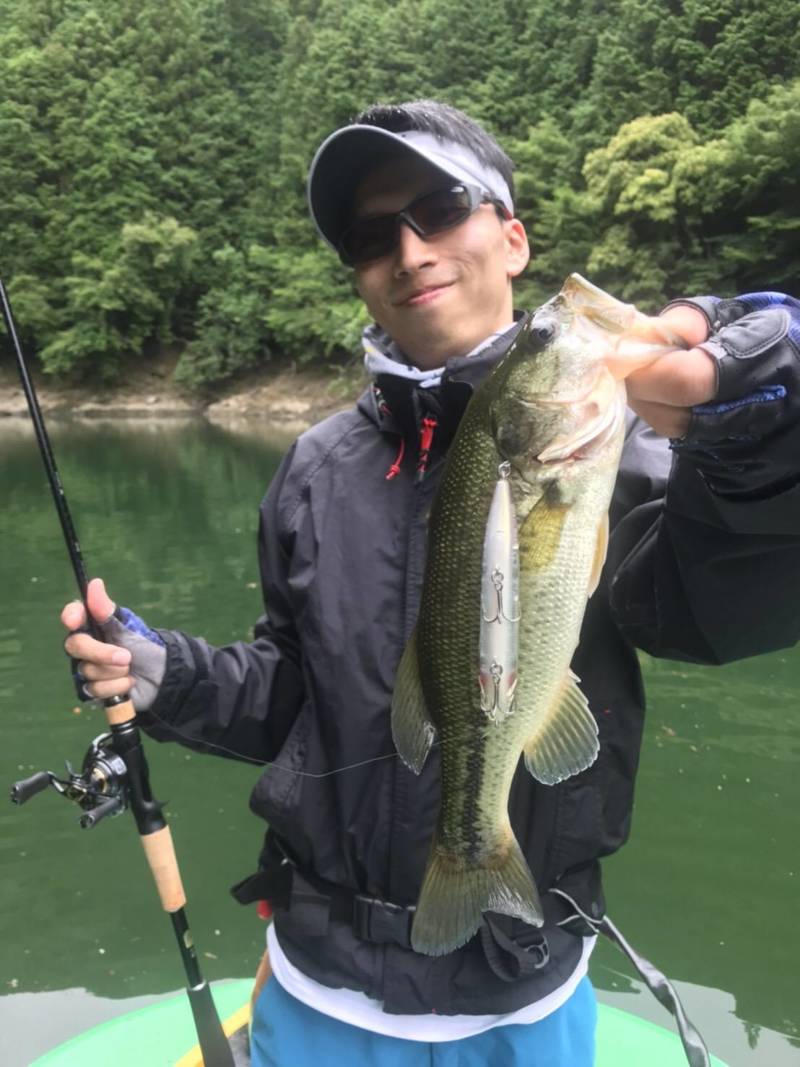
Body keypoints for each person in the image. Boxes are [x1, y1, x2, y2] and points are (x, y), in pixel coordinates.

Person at [62, 100, 800, 1066]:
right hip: (319, 985)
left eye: (442, 209)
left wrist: (758, 448)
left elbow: (719, 608)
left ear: (513, 238)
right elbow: (296, 697)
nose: (409, 252)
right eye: (373, 238)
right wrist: (172, 677)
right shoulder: (314, 469)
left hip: (523, 994)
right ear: (361, 276)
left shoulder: (624, 452)